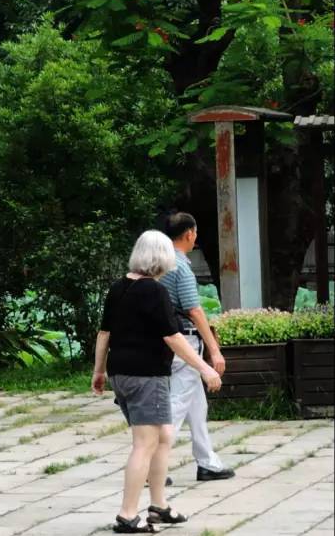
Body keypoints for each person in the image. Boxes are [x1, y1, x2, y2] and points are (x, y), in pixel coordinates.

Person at [92, 230, 222, 534]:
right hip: (147, 376)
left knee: (163, 436)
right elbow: (173, 337)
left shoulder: (118, 288)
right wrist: (205, 367)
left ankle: (159, 506)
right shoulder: (155, 291)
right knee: (145, 444)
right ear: (162, 257)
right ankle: (127, 516)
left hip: (121, 374)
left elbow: (104, 334)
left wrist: (99, 371)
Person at [161, 212, 235, 482]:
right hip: (186, 340)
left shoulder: (157, 263)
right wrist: (213, 349)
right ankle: (152, 465)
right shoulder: (180, 266)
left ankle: (207, 462)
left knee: (196, 405)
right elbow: (194, 309)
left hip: (167, 341)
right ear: (190, 234)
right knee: (177, 404)